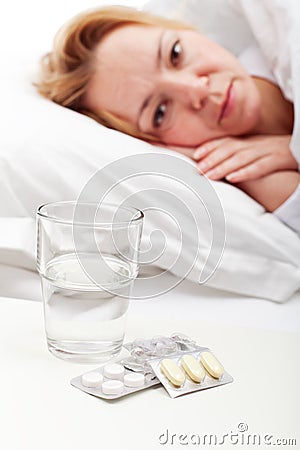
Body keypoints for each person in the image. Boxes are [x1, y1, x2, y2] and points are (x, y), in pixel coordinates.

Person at [37, 6, 300, 234]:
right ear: (157, 144)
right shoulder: (245, 169)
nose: (197, 89)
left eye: (175, 54)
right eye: (160, 113)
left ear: (186, 29)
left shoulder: (286, 37)